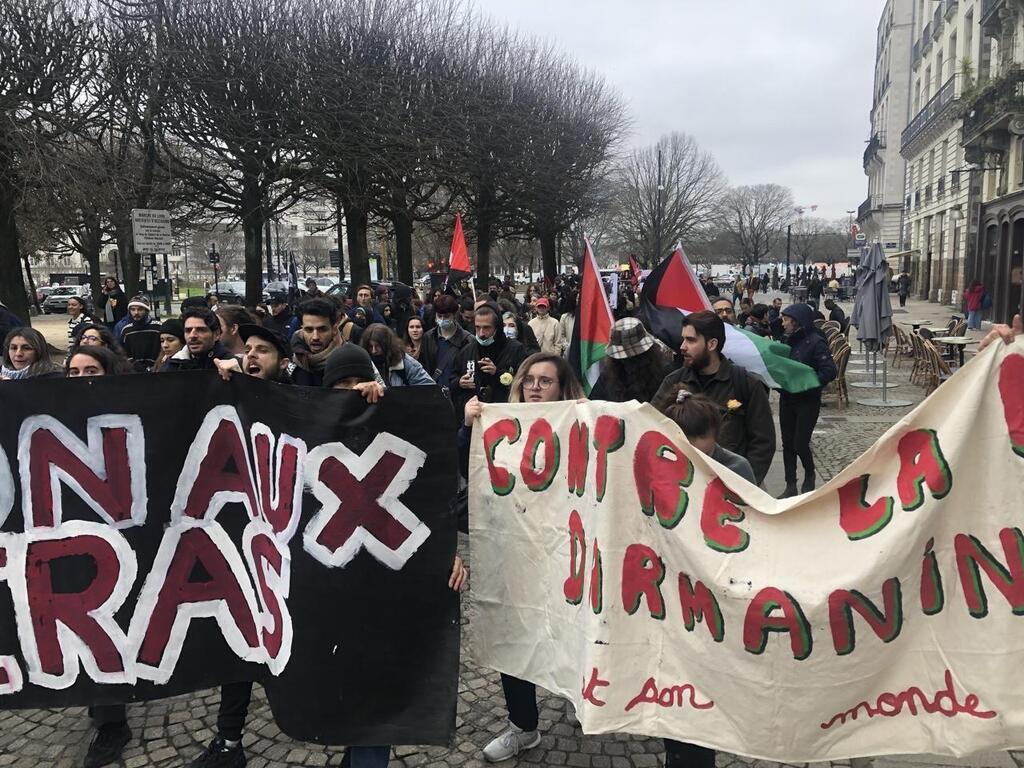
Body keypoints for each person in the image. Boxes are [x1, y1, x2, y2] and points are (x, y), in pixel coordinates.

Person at [462, 353, 586, 763]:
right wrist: (467, 427)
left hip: (567, 550)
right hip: (513, 550)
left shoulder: (581, 426)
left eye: (545, 381)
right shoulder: (499, 424)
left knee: (572, 628)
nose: (534, 387)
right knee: (514, 637)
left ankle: (577, 693)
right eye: (529, 379)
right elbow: (466, 469)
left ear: (562, 388)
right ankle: (523, 726)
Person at [652, 311, 775, 485]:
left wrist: (746, 486)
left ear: (711, 344)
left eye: (691, 340)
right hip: (684, 487)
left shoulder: (746, 384)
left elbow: (763, 442)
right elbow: (652, 428)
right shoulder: (673, 382)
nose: (682, 346)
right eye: (683, 339)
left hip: (732, 485)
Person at [778, 303, 838, 497]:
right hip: (787, 398)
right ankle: (790, 485)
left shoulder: (816, 341)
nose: (783, 322)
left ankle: (810, 473)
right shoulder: (786, 339)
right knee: (787, 443)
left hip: (807, 401)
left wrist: (809, 383)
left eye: (786, 319)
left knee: (800, 443)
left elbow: (829, 370)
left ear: (796, 322)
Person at [450, 302, 528, 422]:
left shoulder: (516, 349)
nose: (481, 333)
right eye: (477, 327)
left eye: (486, 328)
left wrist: (497, 373)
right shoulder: (467, 350)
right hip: (475, 418)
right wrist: (459, 382)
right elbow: (452, 378)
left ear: (497, 327)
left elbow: (524, 384)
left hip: (504, 417)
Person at [590, 318, 673, 404]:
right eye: (624, 359)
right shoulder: (608, 376)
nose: (629, 363)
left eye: (635, 357)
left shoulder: (665, 373)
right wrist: (589, 405)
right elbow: (596, 404)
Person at [360, 323, 434, 387]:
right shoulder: (362, 364)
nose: (374, 351)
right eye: (370, 346)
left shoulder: (407, 364)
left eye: (378, 346)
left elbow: (429, 389)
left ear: (387, 344)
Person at [161, 307, 235, 372]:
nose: (192, 335)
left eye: (201, 330)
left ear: (216, 334)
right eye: (188, 330)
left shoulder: (231, 365)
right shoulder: (173, 365)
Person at [292, 298, 345, 386]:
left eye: (322, 330)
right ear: (302, 329)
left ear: (334, 329)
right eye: (309, 330)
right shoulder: (291, 361)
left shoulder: (352, 358)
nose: (315, 337)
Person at [424, 294, 473, 388]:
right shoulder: (428, 337)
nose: (442, 319)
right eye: (439, 316)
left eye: (446, 316)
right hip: (435, 392)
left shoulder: (468, 340)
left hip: (457, 393)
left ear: (454, 315)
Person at [120, 297, 162, 371]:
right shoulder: (126, 330)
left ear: (146, 311)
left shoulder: (158, 327)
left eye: (140, 309)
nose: (136, 312)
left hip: (156, 369)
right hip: (135, 371)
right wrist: (133, 364)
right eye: (133, 309)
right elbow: (123, 352)